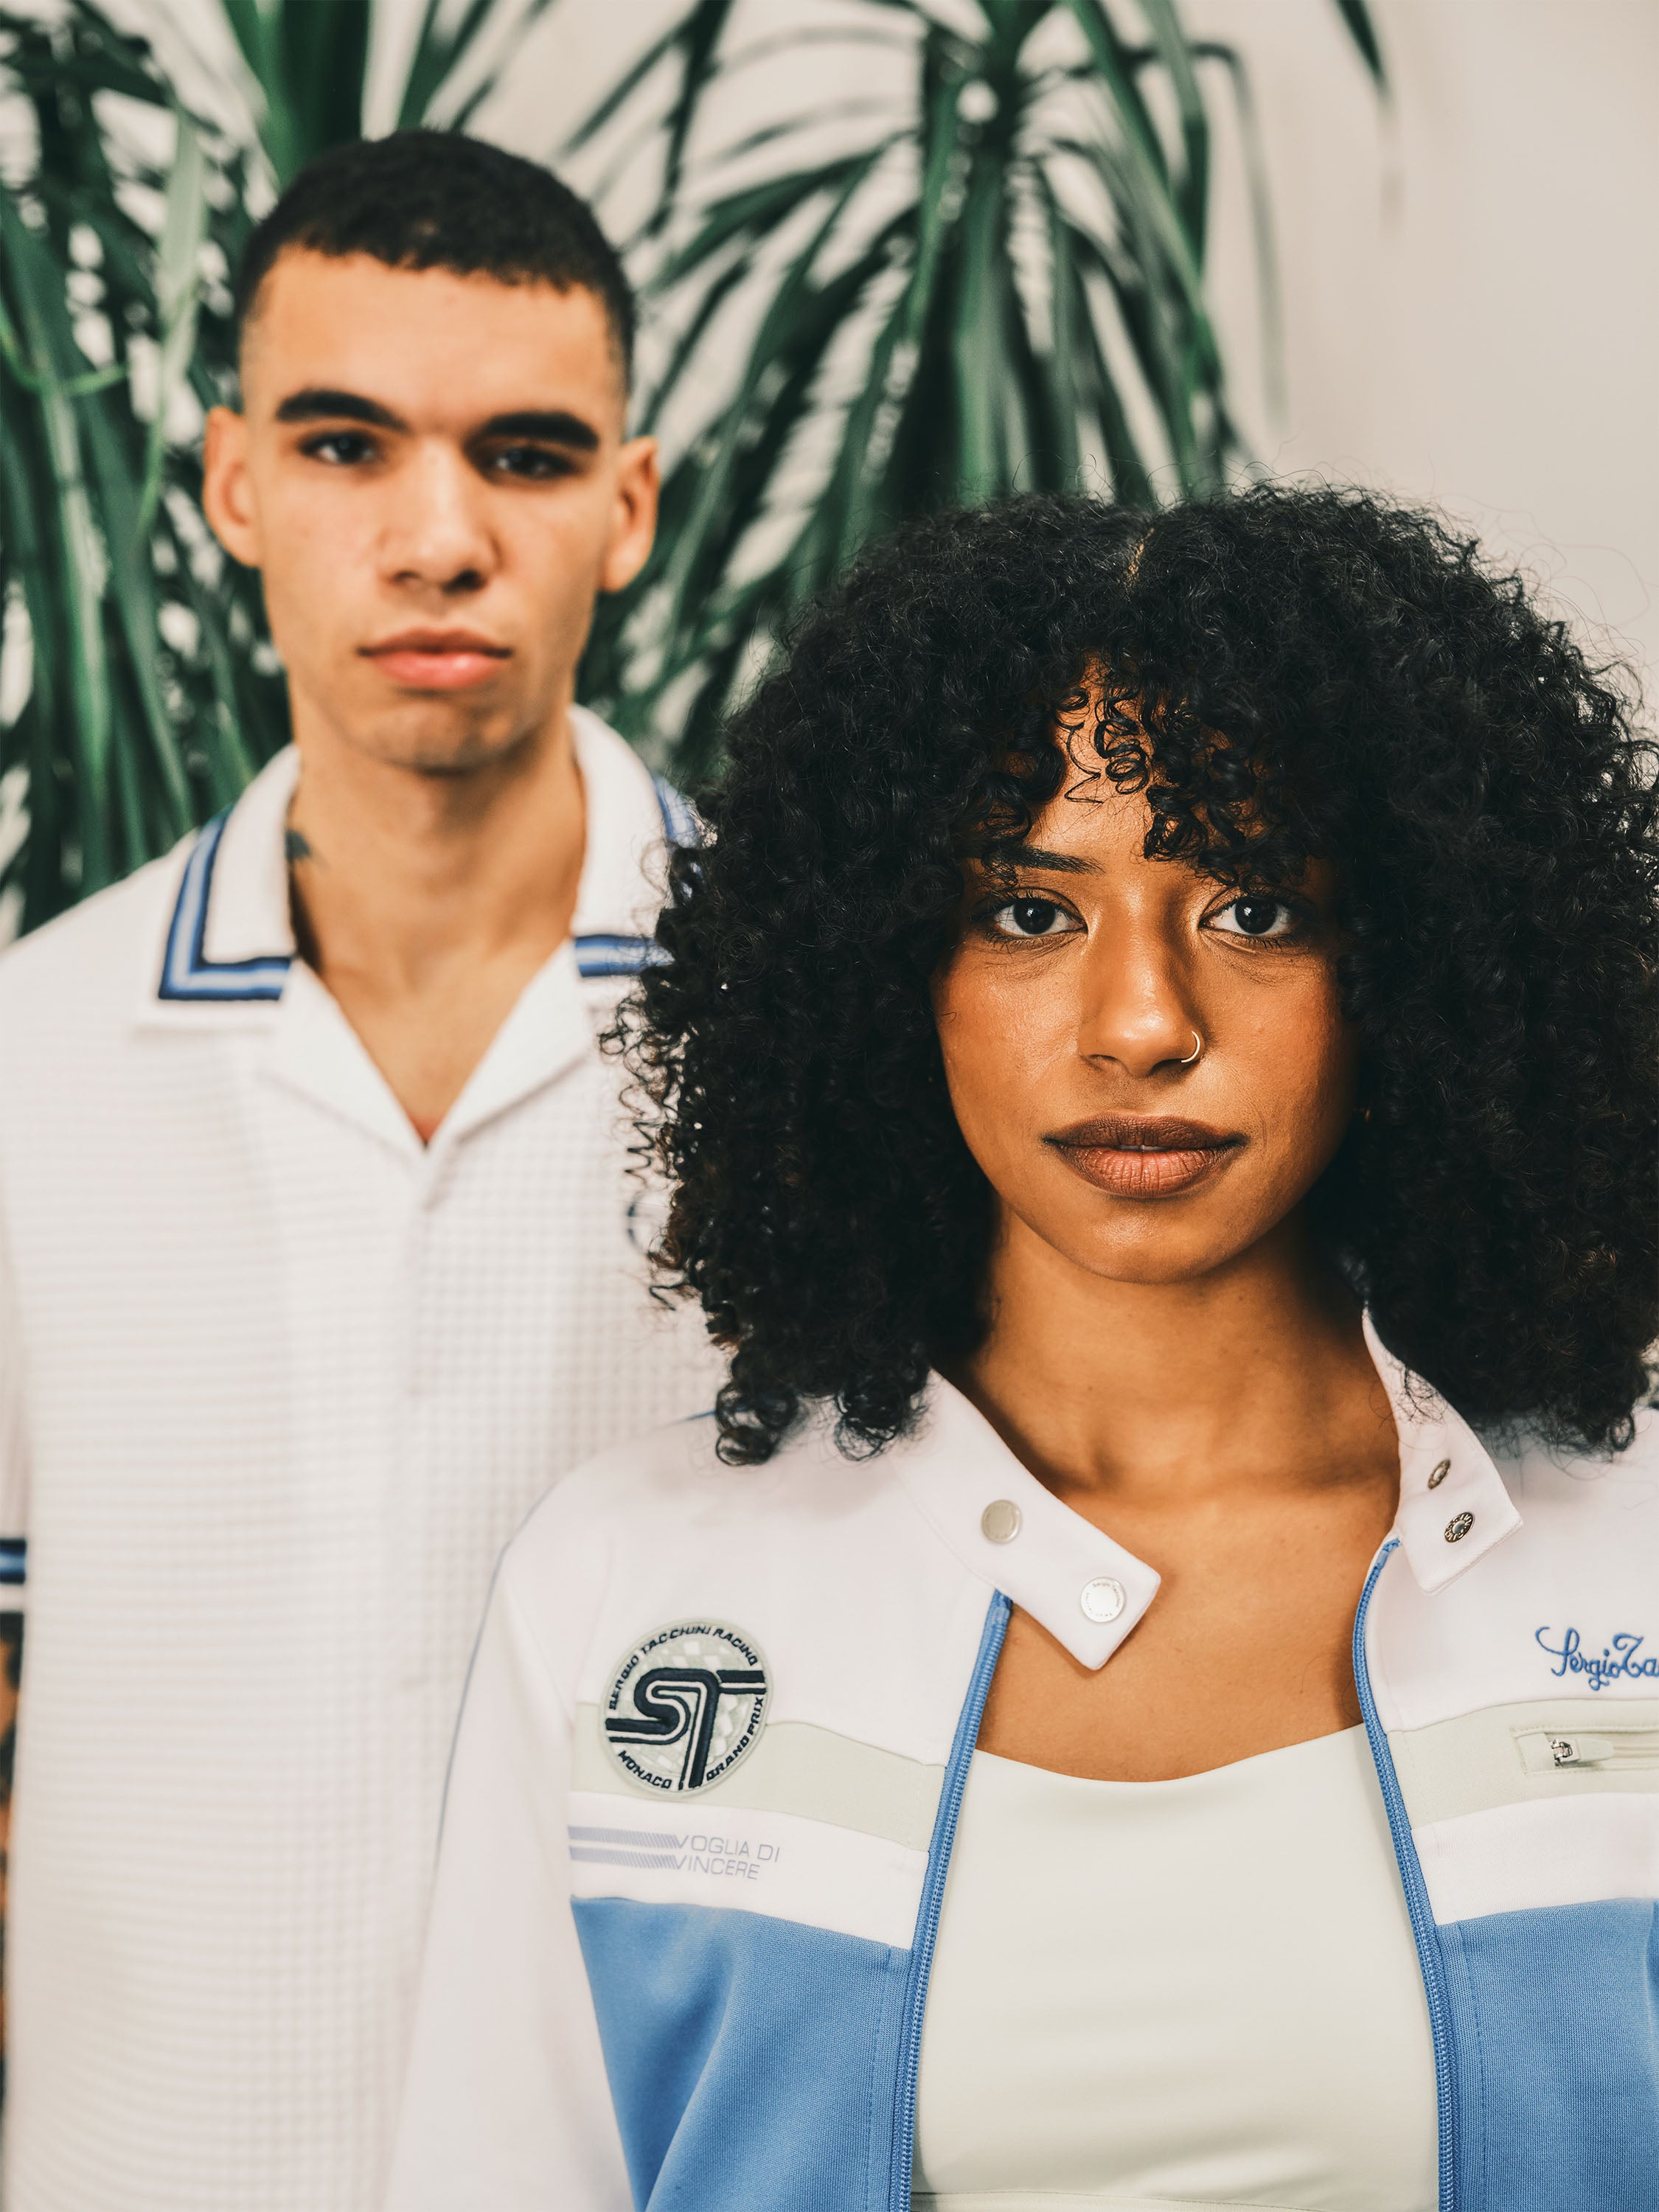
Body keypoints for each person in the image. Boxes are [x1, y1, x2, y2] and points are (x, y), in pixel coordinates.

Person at [386, 488, 1659, 2212]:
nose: (1143, 1025)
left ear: (1419, 964)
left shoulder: (1631, 1560)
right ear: (881, 968)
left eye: (1255, 909)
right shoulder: (626, 1587)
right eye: (1031, 915)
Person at [0, 131, 715, 2212]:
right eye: (343, 445)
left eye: (524, 455)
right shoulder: (38, 1046)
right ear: (232, 483)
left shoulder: (828, 1029)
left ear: (628, 506)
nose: (437, 538)